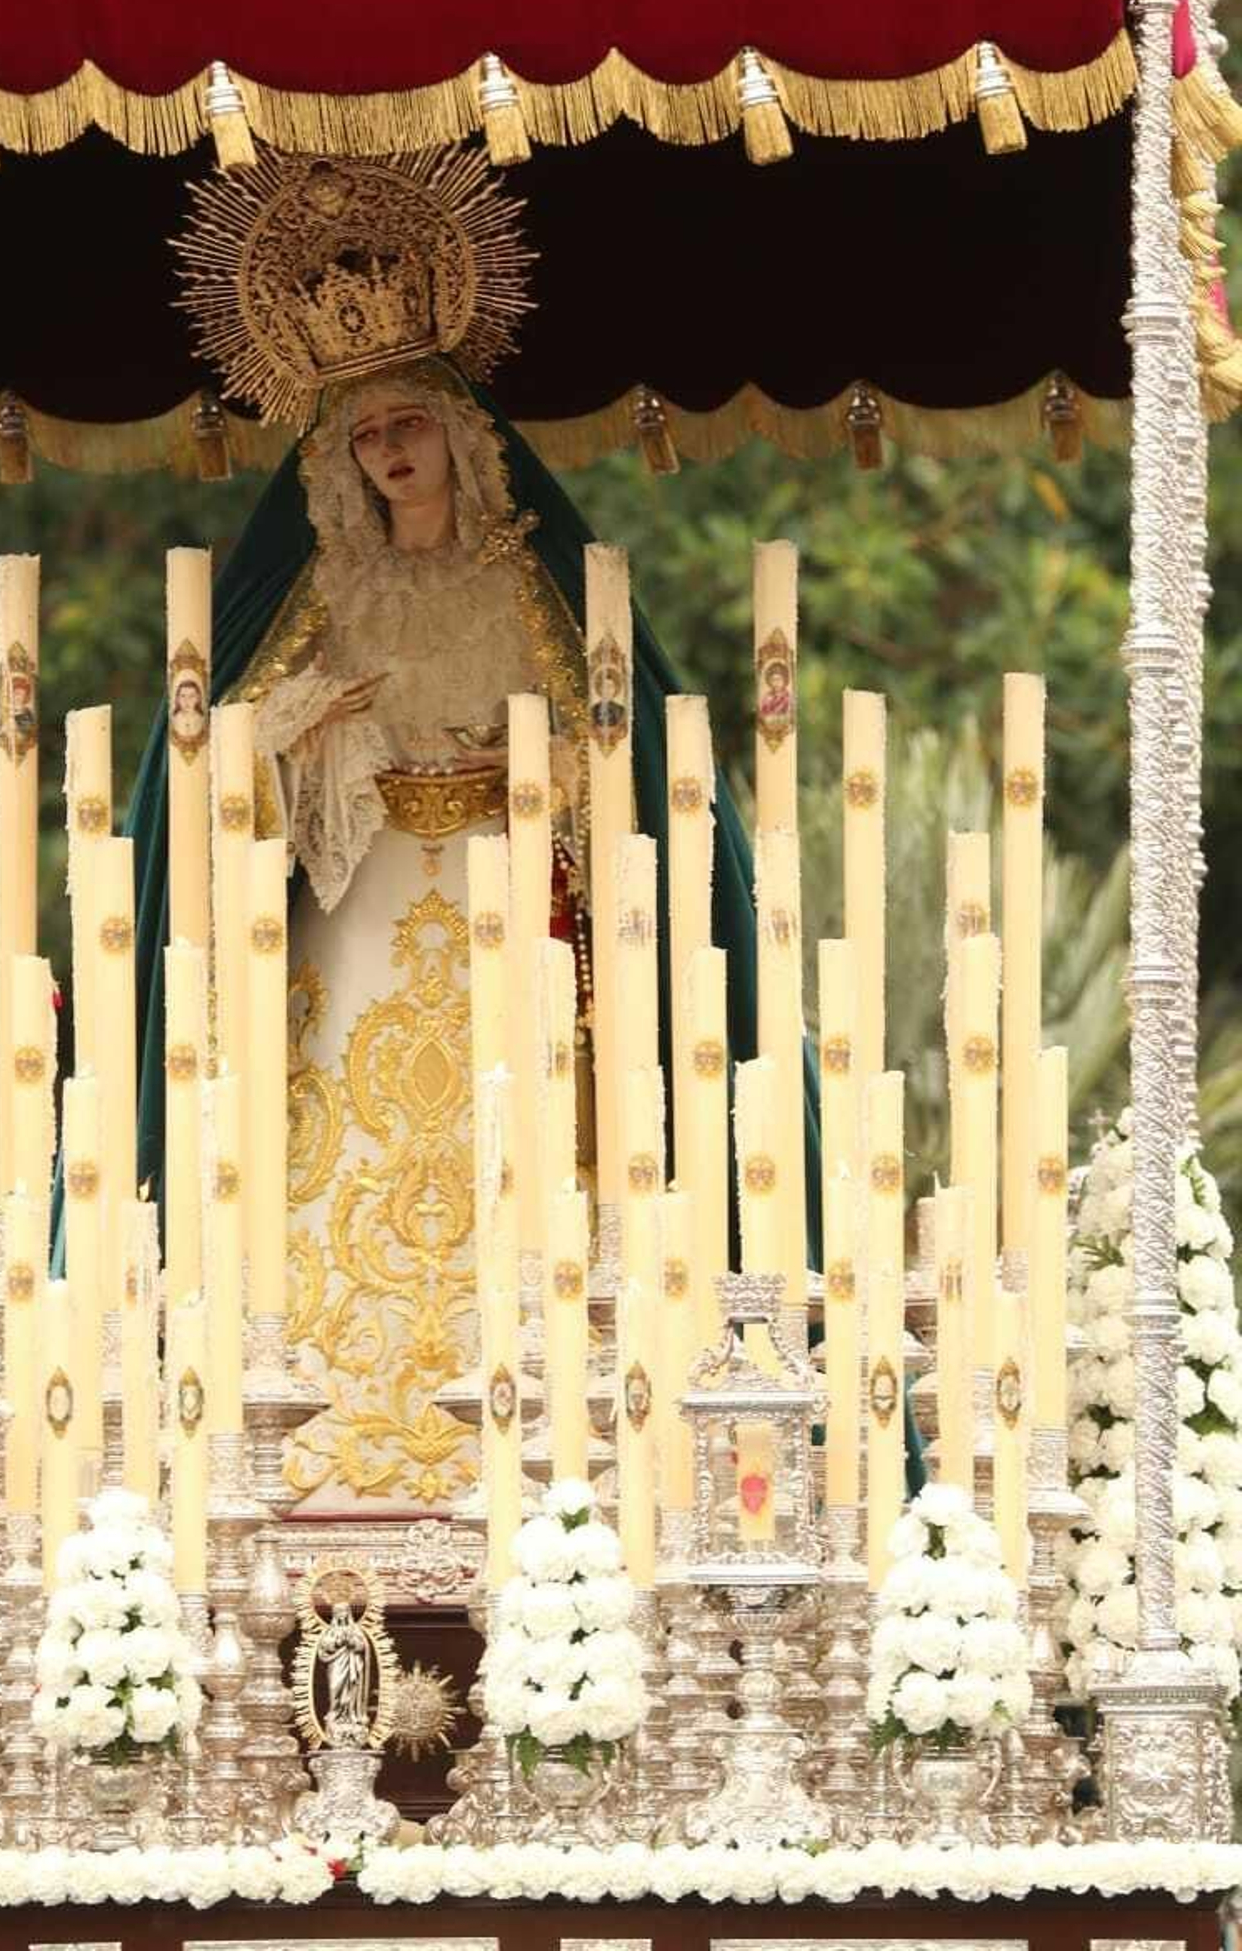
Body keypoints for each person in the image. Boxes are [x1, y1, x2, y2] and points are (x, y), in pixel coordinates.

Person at [126, 149, 819, 1514]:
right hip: (351, 938)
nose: (391, 451)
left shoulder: (539, 588)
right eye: (363, 435)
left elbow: (640, 785)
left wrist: (541, 764)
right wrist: (305, 738)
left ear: (459, 432)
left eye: (410, 424)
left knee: (521, 1169)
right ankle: (317, 1454)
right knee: (332, 1171)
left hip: (516, 951)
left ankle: (546, 1439)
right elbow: (208, 777)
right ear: (334, 458)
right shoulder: (309, 596)